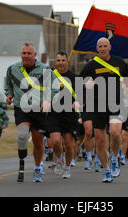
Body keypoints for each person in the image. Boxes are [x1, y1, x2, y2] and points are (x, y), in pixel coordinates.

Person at [79, 37, 128, 183]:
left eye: (105, 46)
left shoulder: (119, 63)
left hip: (116, 103)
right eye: (100, 46)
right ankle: (107, 170)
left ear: (110, 47)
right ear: (96, 49)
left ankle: (115, 158)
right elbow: (79, 82)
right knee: (100, 140)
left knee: (116, 132)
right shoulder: (91, 65)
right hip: (98, 105)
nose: (103, 48)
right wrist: (85, 84)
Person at [4, 42, 58, 183]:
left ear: (35, 55)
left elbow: (55, 88)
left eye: (29, 53)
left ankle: (37, 167)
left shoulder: (45, 70)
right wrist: (9, 94)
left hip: (39, 110)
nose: (26, 56)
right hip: (22, 108)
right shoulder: (13, 69)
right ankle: (22, 159)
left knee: (38, 141)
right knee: (22, 135)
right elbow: (8, 84)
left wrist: (48, 101)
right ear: (21, 54)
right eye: (24, 53)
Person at [47, 51, 79, 179]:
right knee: (55, 142)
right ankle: (59, 160)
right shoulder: (49, 76)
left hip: (69, 114)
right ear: (55, 62)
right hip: (53, 113)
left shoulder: (74, 78)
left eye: (63, 60)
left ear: (67, 62)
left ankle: (67, 167)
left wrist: (77, 102)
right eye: (58, 60)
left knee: (68, 144)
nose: (60, 63)